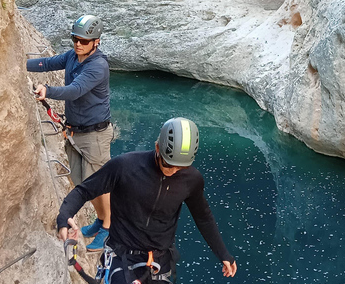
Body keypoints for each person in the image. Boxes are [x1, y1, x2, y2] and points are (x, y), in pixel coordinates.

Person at [57, 117, 238, 283]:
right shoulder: (125, 167)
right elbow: (84, 191)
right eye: (168, 164)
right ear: (157, 148)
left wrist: (223, 253)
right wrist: (64, 216)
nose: (173, 171)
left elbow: (203, 217)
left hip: (159, 260)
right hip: (122, 254)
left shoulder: (191, 180)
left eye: (180, 168)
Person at [27, 14, 114, 251]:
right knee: (82, 182)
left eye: (84, 41)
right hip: (77, 132)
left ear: (96, 42)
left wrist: (48, 90)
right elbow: (48, 63)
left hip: (95, 135)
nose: (78, 44)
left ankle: (108, 227)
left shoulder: (98, 66)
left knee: (99, 183)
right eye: (75, 39)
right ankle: (100, 221)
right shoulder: (73, 56)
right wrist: (17, 64)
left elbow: (75, 90)